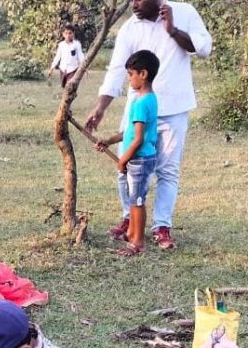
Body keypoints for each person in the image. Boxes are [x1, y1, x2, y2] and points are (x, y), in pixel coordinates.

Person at [83, 0, 212, 251]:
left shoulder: (184, 12)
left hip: (173, 108)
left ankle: (161, 226)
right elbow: (116, 71)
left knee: (168, 170)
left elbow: (204, 49)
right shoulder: (131, 28)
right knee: (124, 167)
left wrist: (173, 30)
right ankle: (129, 218)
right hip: (137, 109)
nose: (134, 4)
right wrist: (100, 108)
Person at [95, 50, 160, 257]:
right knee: (134, 198)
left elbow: (138, 139)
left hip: (140, 159)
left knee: (137, 201)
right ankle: (132, 232)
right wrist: (108, 141)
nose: (129, 78)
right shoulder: (146, 99)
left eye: (131, 74)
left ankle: (138, 242)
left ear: (143, 74)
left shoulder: (141, 103)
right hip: (140, 157)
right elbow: (129, 133)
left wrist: (124, 159)